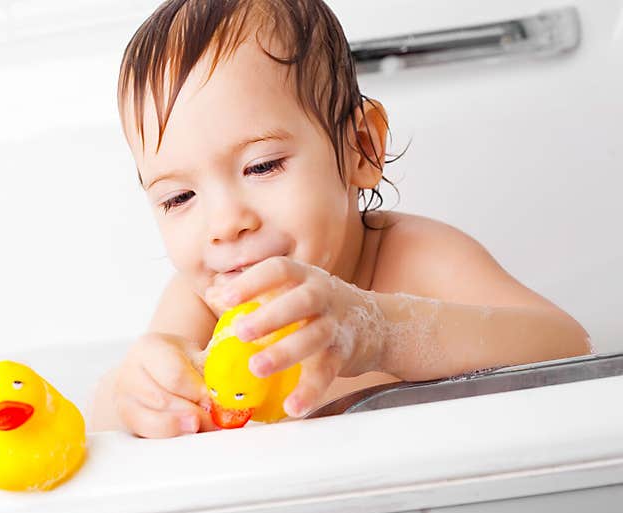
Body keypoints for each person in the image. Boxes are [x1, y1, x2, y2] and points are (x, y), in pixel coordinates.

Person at [91, 0, 590, 437]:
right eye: (179, 198)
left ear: (362, 149)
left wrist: (385, 330)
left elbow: (569, 347)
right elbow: (103, 421)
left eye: (261, 166)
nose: (225, 223)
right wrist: (131, 394)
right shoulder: (206, 304)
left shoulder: (418, 259)